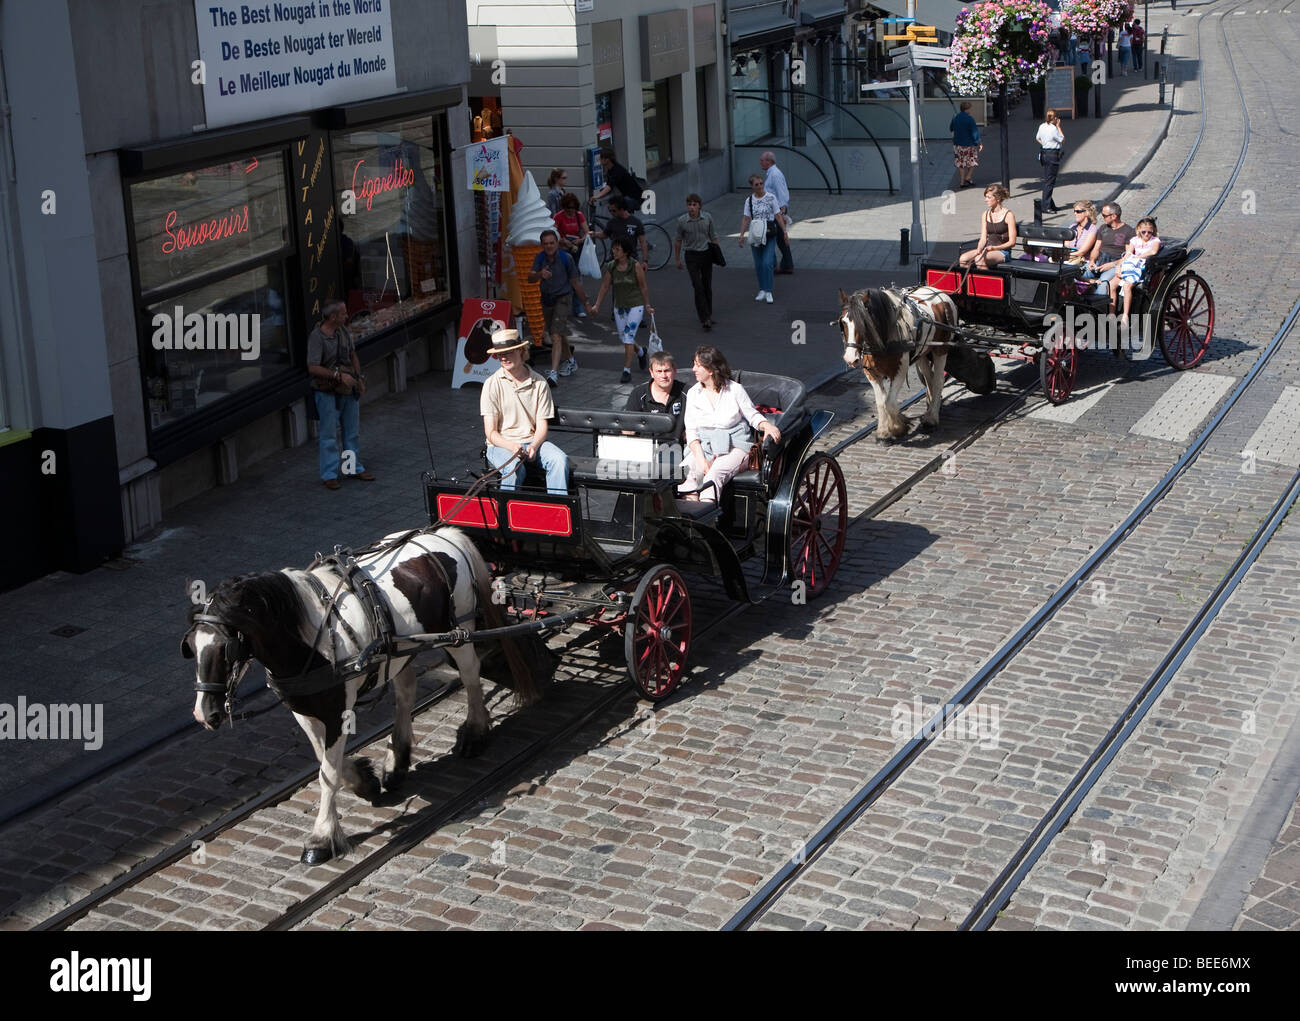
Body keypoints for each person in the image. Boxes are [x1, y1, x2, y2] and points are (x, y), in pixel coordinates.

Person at [680, 346, 781, 504]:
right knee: (688, 471)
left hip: (735, 445)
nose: (694, 369)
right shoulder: (693, 393)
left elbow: (752, 415)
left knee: (714, 474)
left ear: (712, 369)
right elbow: (691, 431)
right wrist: (701, 461)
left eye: (698, 365)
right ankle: (690, 518)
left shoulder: (734, 390)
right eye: (694, 364)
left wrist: (766, 425)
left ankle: (708, 516)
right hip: (704, 446)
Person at [480, 329, 569, 494]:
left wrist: (534, 445)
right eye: (500, 355)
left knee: (560, 460)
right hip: (501, 444)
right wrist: (512, 446)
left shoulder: (540, 383)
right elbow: (490, 432)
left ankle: (557, 513)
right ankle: (508, 514)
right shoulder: (491, 384)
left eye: (509, 352)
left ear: (521, 350)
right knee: (514, 468)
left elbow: (542, 426)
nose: (504, 358)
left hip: (532, 442)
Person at [307, 300, 373, 490]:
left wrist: (358, 378)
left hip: (348, 389)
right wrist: (337, 375)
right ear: (333, 316)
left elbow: (352, 354)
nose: (346, 315)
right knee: (328, 435)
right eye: (343, 313)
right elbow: (312, 367)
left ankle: (351, 467)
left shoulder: (343, 331)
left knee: (351, 432)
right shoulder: (316, 337)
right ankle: (329, 473)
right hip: (327, 392)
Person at [528, 229, 591, 388]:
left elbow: (576, 282)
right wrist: (539, 274)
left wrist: (586, 303)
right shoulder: (540, 258)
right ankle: (571, 361)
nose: (549, 246)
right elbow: (530, 278)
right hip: (547, 299)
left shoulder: (566, 258)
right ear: (542, 245)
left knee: (555, 335)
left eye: (552, 243)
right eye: (546, 244)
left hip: (563, 298)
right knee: (558, 332)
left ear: (557, 243)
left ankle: (553, 373)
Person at [590, 237, 652, 383]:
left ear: (625, 252)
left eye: (617, 249)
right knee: (624, 337)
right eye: (613, 248)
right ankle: (641, 352)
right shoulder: (611, 266)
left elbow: (643, 286)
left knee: (628, 337)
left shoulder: (635, 265)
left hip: (635, 305)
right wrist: (597, 305)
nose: (614, 251)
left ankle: (626, 370)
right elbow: (605, 286)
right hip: (620, 306)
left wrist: (647, 305)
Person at [674, 193, 720, 330]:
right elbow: (678, 241)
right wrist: (677, 259)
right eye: (689, 205)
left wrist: (718, 255)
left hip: (706, 254)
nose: (692, 207)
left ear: (699, 206)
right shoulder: (682, 221)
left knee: (707, 286)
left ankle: (709, 314)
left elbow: (714, 237)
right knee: (697, 286)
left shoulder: (707, 218)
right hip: (691, 256)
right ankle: (704, 318)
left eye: (694, 205)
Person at [738, 173, 787, 303]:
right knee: (759, 264)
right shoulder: (749, 200)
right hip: (755, 234)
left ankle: (769, 290)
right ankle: (762, 290)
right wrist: (741, 235)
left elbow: (777, 215)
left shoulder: (771, 198)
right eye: (756, 184)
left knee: (767, 263)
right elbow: (746, 218)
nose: (760, 186)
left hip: (769, 233)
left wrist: (785, 231)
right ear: (752, 187)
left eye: (761, 183)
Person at [625, 351, 687, 445]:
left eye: (667, 370)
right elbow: (628, 429)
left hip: (679, 449)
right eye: (659, 371)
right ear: (651, 373)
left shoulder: (688, 392)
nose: (663, 376)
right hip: (646, 450)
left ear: (674, 370)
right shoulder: (638, 394)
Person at [1110, 217, 1161, 318]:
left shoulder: (1155, 240)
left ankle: (1125, 315)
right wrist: (1119, 266)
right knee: (1111, 284)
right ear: (1139, 230)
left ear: (1153, 232)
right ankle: (1111, 314)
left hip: (1143, 268)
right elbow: (1128, 254)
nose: (1146, 234)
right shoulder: (1134, 240)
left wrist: (1138, 257)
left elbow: (1153, 252)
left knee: (1127, 286)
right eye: (1144, 232)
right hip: (1131, 265)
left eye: (1149, 232)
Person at [959, 184, 1017, 268]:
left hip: (1003, 252)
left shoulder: (1009, 215)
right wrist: (979, 249)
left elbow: (1012, 242)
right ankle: (969, 280)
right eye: (985, 197)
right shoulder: (985, 214)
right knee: (963, 259)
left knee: (979, 260)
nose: (985, 200)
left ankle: (985, 281)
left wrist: (994, 248)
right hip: (987, 249)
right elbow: (983, 238)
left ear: (997, 198)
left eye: (988, 197)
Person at [1083, 202, 1136, 293]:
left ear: (1114, 216)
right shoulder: (1103, 228)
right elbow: (1096, 248)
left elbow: (1128, 256)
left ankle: (1097, 305)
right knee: (1075, 274)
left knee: (1104, 283)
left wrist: (1112, 264)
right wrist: (1092, 261)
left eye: (1104, 215)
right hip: (1099, 261)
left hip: (1114, 264)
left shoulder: (1129, 231)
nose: (1102, 217)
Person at [553, 192, 590, 319]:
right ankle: (561, 308)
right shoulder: (558, 216)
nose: (570, 211)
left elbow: (587, 232)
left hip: (575, 250)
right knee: (561, 280)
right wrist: (562, 240)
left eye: (573, 208)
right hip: (563, 250)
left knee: (576, 279)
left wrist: (580, 240)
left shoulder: (579, 216)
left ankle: (578, 307)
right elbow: (553, 233)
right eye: (568, 208)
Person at [760, 152, 793, 274]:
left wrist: (782, 209)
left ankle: (782, 264)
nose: (760, 162)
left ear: (769, 162)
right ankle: (786, 264)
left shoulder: (774, 175)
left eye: (762, 160)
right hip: (776, 210)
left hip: (777, 210)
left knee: (777, 237)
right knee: (779, 238)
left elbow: (781, 192)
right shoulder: (773, 173)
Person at [594, 196, 649, 266]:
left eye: (614, 210)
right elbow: (604, 235)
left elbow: (643, 242)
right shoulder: (612, 222)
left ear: (622, 209)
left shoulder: (636, 222)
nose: (611, 213)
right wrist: (593, 234)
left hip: (631, 260)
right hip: (615, 260)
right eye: (609, 210)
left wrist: (645, 261)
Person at [1036, 109, 1065, 213]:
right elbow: (1062, 139)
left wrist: (1045, 144)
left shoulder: (1042, 126)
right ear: (1055, 118)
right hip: (1052, 155)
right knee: (1050, 181)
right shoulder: (1053, 129)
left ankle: (1050, 204)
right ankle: (1046, 206)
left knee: (1048, 179)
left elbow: (1037, 138)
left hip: (1044, 153)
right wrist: (1058, 126)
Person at [949, 101, 983, 188]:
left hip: (958, 144)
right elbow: (974, 132)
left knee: (961, 163)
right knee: (972, 161)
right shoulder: (969, 119)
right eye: (970, 109)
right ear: (967, 109)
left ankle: (962, 182)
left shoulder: (955, 117)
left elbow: (951, 128)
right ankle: (968, 177)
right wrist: (979, 142)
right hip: (968, 144)